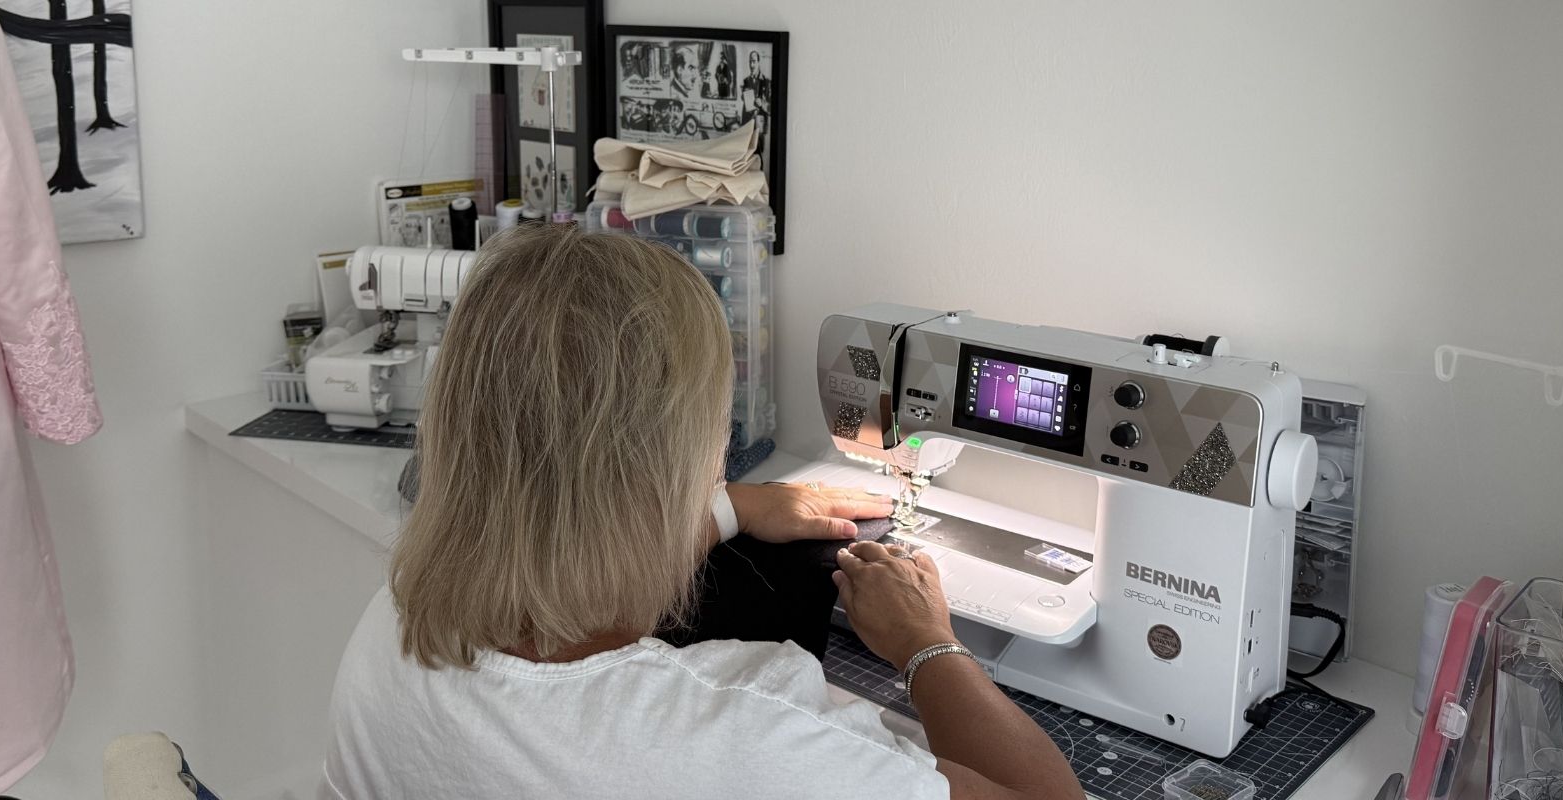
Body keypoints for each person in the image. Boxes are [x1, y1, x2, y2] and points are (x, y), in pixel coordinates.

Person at [321, 225, 1083, 800]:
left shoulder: (389, 623)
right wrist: (925, 643)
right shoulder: (746, 729)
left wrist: (724, 510)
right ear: (688, 452)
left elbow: (555, 508)